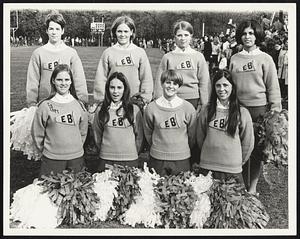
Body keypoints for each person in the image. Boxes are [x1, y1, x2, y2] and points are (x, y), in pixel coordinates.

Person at [229, 19, 282, 194]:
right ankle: (242, 185)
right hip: (239, 109)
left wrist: (275, 110)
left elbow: (273, 87)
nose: (247, 37)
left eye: (251, 33)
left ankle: (252, 188)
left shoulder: (265, 59)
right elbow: (229, 85)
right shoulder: (235, 58)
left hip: (259, 110)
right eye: (244, 33)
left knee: (256, 152)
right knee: (241, 149)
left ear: (257, 35)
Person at [196, 69, 254, 184]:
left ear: (232, 87)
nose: (221, 89)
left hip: (232, 169)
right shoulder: (206, 110)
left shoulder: (242, 112)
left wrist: (238, 161)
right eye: (218, 85)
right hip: (208, 166)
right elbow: (200, 137)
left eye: (225, 85)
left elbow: (247, 142)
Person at [32, 64, 89, 177]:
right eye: (59, 80)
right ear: (53, 81)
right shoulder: (45, 105)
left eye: (67, 79)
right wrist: (48, 150)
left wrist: (75, 148)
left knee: (76, 192)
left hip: (76, 158)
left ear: (71, 81)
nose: (63, 83)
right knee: (50, 192)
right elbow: (37, 132)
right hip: (52, 159)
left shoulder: (79, 105)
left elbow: (83, 131)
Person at [26, 11, 88, 107]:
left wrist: (82, 101)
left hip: (66, 104)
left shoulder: (71, 53)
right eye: (51, 29)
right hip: (44, 104)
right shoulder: (38, 53)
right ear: (47, 31)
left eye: (57, 29)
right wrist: (32, 104)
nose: (54, 32)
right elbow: (32, 82)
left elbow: (79, 80)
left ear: (62, 31)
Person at [144, 70, 197, 176]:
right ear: (162, 83)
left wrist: (181, 149)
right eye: (168, 82)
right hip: (158, 158)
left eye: (175, 83)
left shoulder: (188, 108)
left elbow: (192, 135)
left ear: (179, 86)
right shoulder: (151, 108)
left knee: (181, 190)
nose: (171, 86)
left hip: (181, 159)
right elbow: (148, 133)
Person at [93, 15, 153, 104]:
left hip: (134, 101)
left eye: (126, 31)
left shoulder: (140, 52)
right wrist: (101, 99)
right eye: (119, 31)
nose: (122, 35)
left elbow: (146, 78)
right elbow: (100, 79)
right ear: (115, 32)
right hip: (113, 101)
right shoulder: (108, 52)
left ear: (131, 32)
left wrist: (145, 98)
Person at [154, 20, 210, 111]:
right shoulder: (168, 57)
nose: (183, 38)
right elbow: (159, 81)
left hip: (193, 99)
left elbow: (204, 82)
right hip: (171, 98)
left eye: (186, 35)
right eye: (179, 35)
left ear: (191, 36)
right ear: (174, 37)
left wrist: (204, 103)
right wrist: (159, 100)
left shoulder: (198, 56)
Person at [92, 72, 144, 172]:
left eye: (119, 88)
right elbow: (97, 134)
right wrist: (105, 150)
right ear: (107, 89)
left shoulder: (134, 109)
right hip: (106, 159)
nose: (115, 91)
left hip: (129, 160)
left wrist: (132, 153)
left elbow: (140, 137)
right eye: (112, 87)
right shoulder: (101, 110)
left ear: (125, 89)